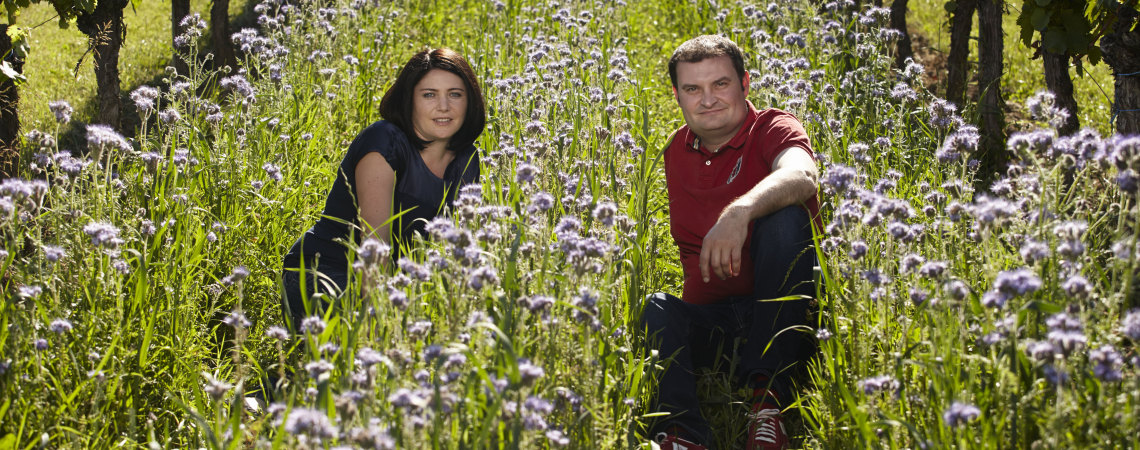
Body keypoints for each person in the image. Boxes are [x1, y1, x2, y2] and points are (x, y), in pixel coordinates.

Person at [644, 35, 821, 450]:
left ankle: (768, 403)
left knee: (786, 216)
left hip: (780, 317)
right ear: (677, 95)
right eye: (693, 89)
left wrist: (739, 213)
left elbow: (802, 176)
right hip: (716, 322)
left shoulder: (773, 127)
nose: (707, 99)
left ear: (744, 84)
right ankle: (682, 434)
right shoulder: (676, 149)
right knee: (656, 306)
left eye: (720, 84)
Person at [280, 48, 485, 331]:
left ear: (469, 101)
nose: (443, 107)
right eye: (429, 94)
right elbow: (374, 253)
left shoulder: (467, 159)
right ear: (409, 100)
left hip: (400, 281)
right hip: (326, 273)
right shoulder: (385, 142)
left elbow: (457, 251)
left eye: (455, 94)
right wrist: (390, 327)